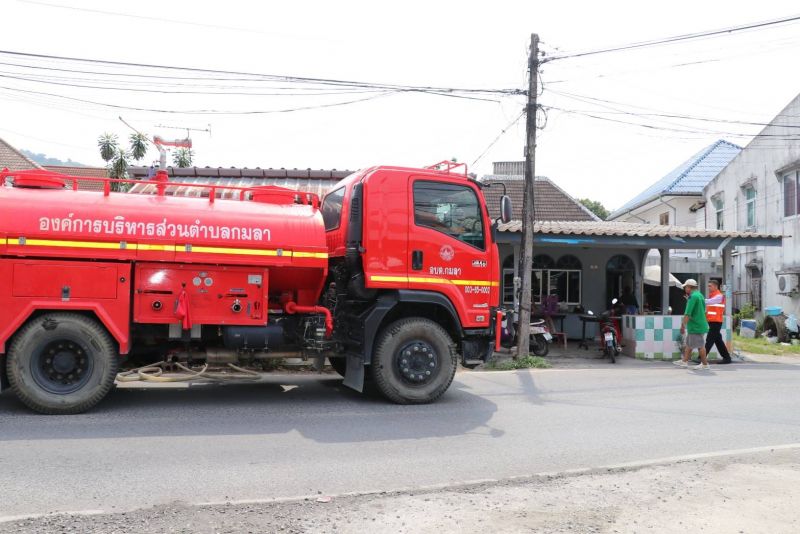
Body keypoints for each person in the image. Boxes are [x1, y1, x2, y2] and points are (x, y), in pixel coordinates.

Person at [673, 279, 710, 370]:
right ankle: (684, 361)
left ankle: (705, 364)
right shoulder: (700, 295)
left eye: (686, 287)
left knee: (700, 346)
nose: (685, 288)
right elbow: (704, 310)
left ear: (689, 287)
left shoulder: (692, 297)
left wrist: (682, 326)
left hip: (695, 326)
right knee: (689, 344)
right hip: (700, 324)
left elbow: (687, 313)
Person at [703, 279, 732, 364]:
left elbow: (709, 302)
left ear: (715, 286)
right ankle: (727, 358)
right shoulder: (712, 295)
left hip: (716, 321)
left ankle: (701, 358)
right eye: (708, 286)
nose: (708, 287)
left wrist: (699, 299)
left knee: (710, 339)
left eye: (710, 286)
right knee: (718, 341)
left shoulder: (719, 296)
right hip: (712, 321)